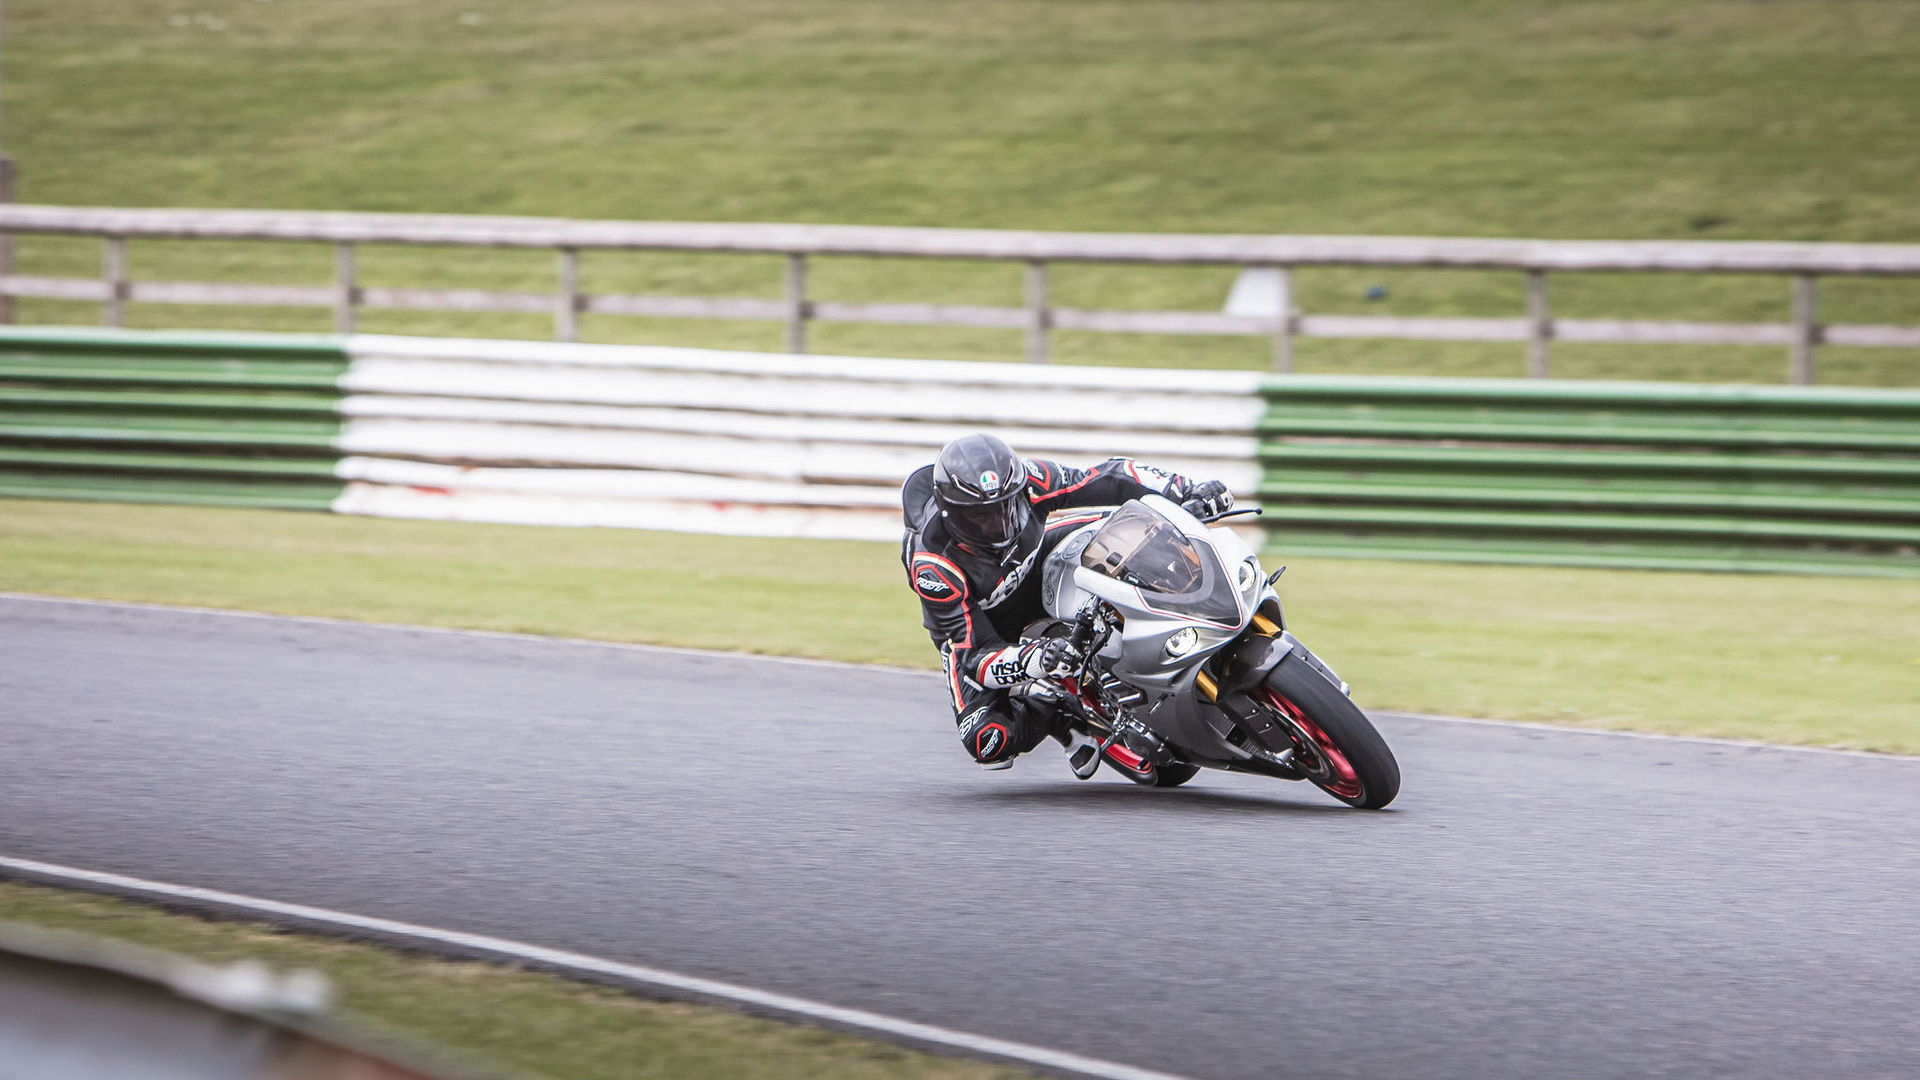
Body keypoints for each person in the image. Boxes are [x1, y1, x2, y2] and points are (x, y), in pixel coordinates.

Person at [900, 433, 1234, 771]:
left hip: (1039, 560)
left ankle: (1199, 613)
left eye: (1006, 507)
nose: (999, 524)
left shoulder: (1029, 481)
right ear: (952, 515)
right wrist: (1036, 660)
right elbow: (975, 657)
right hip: (986, 625)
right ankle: (1059, 710)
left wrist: (1184, 490)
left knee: (1131, 529)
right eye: (980, 517)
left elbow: (1108, 476)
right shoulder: (934, 567)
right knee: (987, 740)